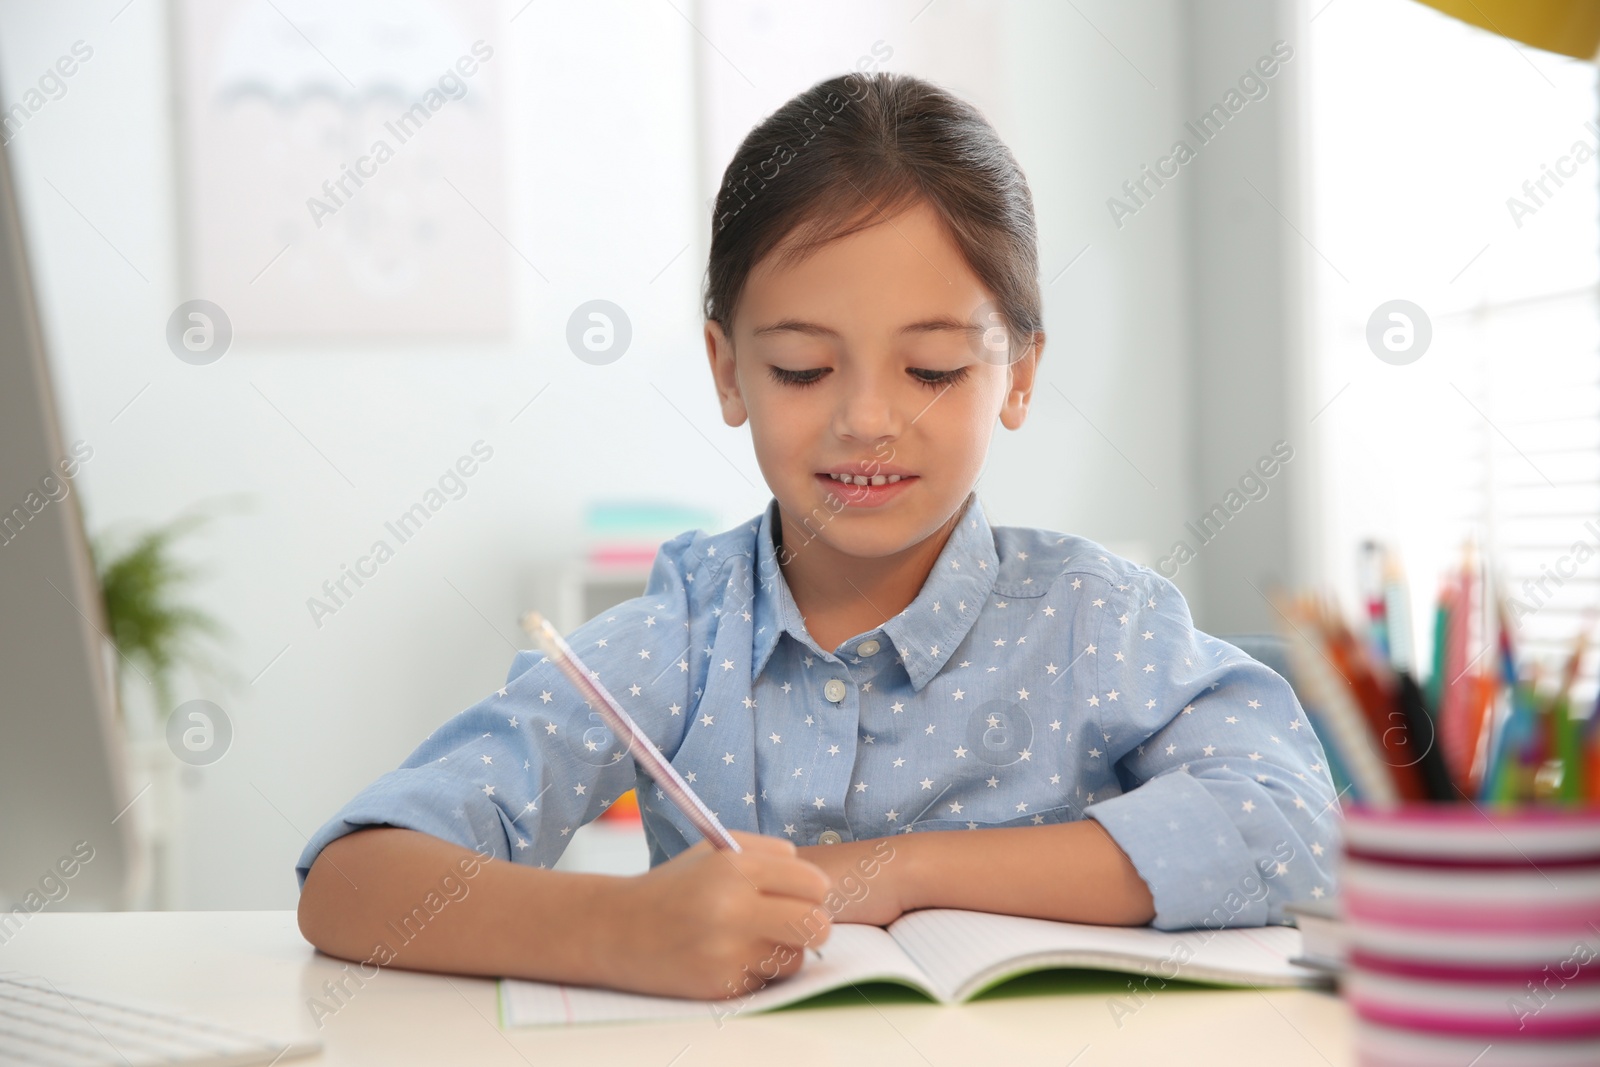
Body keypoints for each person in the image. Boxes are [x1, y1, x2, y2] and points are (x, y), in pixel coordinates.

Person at [296, 71, 1340, 1001]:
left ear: (1018, 372)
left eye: (931, 369)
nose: (867, 419)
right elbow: (351, 880)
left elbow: (1297, 832)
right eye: (802, 367)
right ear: (726, 370)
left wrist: (897, 871)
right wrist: (621, 925)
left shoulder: (1098, 619)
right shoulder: (682, 636)